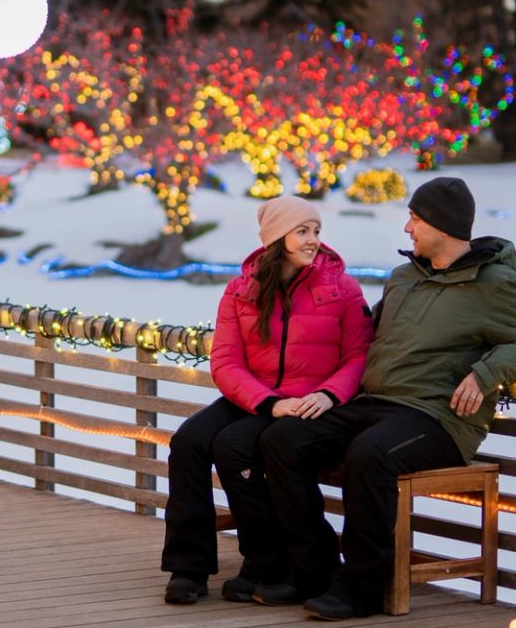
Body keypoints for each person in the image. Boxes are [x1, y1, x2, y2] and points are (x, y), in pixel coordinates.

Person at [252, 175, 516, 620]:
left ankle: (363, 586)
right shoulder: (404, 279)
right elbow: (364, 336)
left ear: (441, 225)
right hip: (375, 405)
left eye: (414, 218)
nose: (407, 228)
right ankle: (311, 566)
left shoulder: (494, 284)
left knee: (370, 454)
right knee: (282, 439)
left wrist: (483, 373)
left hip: (437, 419)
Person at [160, 195, 373, 604]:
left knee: (234, 446)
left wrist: (329, 394)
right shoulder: (242, 289)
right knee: (188, 440)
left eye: (316, 231)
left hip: (311, 400)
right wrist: (267, 402)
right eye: (302, 231)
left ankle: (263, 560)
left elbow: (359, 355)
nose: (313, 240)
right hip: (259, 397)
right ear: (277, 237)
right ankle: (189, 567)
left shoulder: (341, 288)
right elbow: (225, 361)